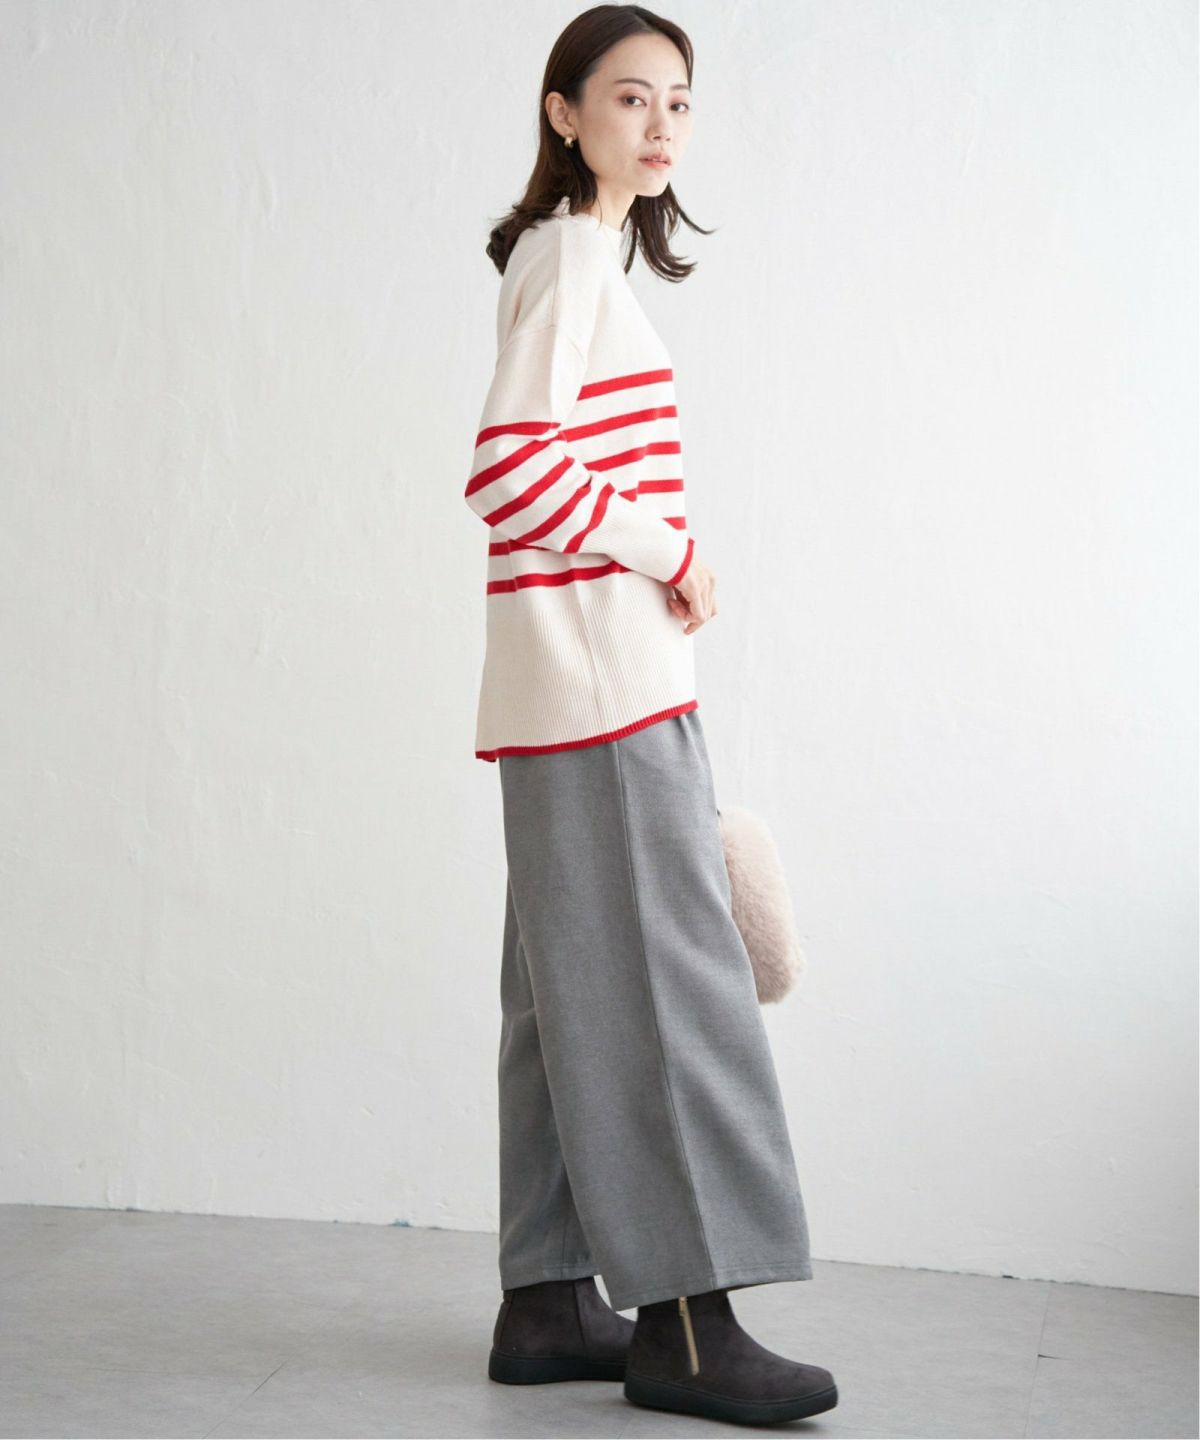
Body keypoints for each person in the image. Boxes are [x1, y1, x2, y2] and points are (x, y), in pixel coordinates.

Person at [462, 5, 838, 1426]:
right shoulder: (571, 255)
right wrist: (671, 549)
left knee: (563, 993)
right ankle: (688, 1327)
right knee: (666, 992)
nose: (662, 124)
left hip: (566, 686)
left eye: (679, 101)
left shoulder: (576, 257)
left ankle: (549, 1302)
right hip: (604, 683)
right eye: (629, 98)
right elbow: (508, 466)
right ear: (564, 114)